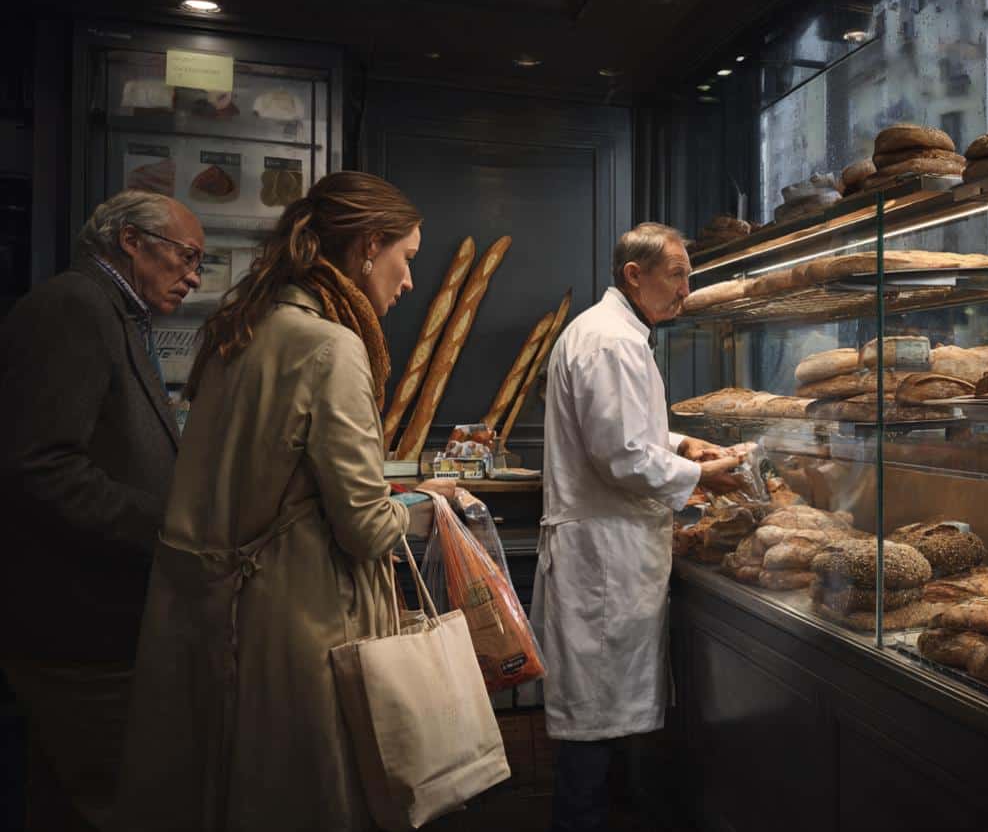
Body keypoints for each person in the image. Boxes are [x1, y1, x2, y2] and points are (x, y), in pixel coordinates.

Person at [114, 172, 458, 832]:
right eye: (406, 259)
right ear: (368, 246)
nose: (409, 281)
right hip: (301, 628)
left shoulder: (238, 329)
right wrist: (423, 503)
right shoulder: (332, 346)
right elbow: (362, 528)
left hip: (211, 619)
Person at [0, 190, 204, 832]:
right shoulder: (72, 306)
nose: (196, 275)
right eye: (187, 255)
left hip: (103, 624)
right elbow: (40, 465)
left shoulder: (115, 311)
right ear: (130, 241)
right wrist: (168, 529)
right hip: (80, 630)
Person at [531, 222, 743, 832]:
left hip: (611, 552)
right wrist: (704, 478)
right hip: (603, 559)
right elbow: (621, 456)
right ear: (634, 275)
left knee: (602, 721)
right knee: (591, 730)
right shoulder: (611, 342)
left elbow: (624, 432)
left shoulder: (615, 334)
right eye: (677, 274)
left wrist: (682, 442)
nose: (686, 289)